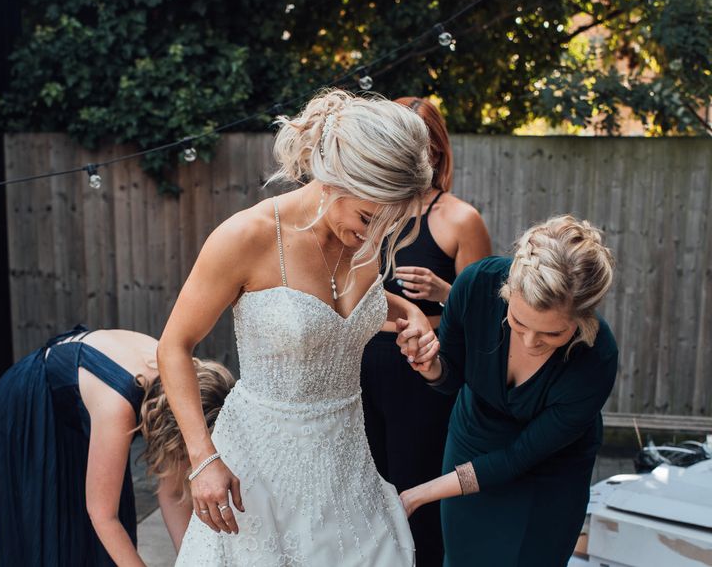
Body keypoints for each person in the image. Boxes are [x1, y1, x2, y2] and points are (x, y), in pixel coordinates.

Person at [158, 88, 437, 566]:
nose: (375, 237)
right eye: (369, 218)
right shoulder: (247, 237)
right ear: (333, 179)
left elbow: (340, 308)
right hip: (261, 465)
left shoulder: (366, 233)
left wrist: (404, 313)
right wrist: (203, 459)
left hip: (347, 460)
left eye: (389, 225)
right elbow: (174, 346)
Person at [397, 215, 619, 567]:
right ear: (507, 291)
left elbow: (517, 458)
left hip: (547, 473)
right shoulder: (475, 286)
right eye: (518, 322)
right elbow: (451, 378)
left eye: (552, 335)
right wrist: (432, 366)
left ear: (582, 319)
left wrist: (416, 495)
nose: (531, 342)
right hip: (472, 441)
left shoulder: (597, 359)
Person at [361, 96, 491, 566]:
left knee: (417, 491)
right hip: (358, 366)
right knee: (365, 489)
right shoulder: (367, 212)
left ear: (435, 150)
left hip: (421, 370)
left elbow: (485, 315)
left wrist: (443, 291)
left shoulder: (460, 218)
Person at [0, 325, 235, 566]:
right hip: (30, 408)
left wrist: (192, 561)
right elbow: (103, 516)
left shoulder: (179, 389)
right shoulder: (118, 406)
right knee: (50, 528)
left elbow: (171, 494)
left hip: (79, 407)